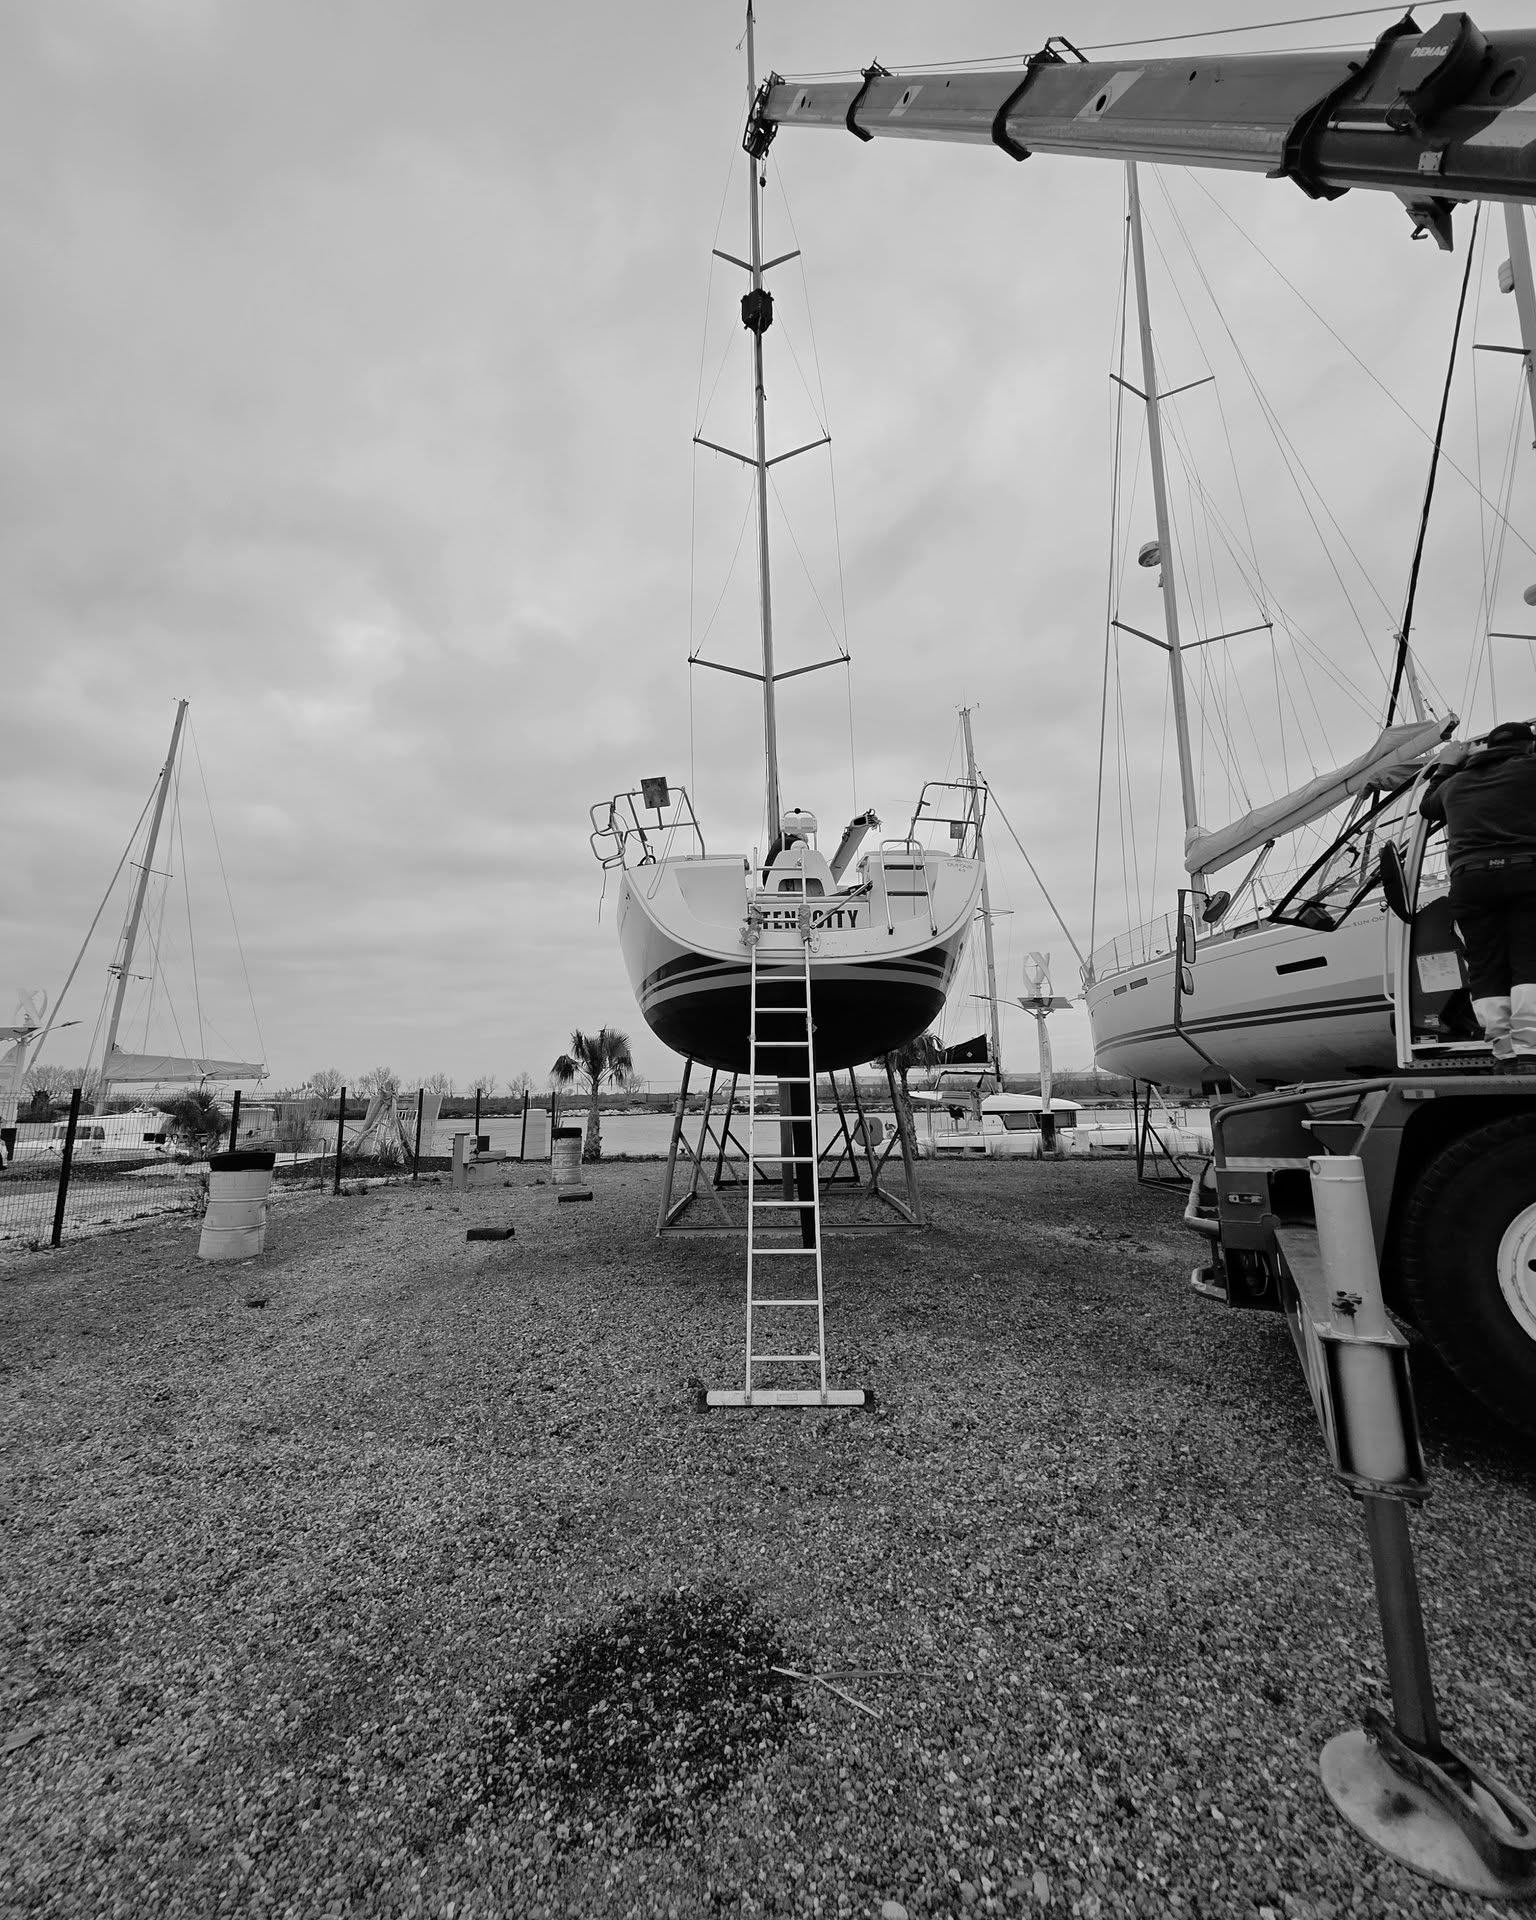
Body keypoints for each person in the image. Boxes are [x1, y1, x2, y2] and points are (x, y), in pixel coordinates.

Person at [1419, 719, 1536, 1065]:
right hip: (1526, 872)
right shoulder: (1531, 768)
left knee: (1486, 967)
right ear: (1526, 746)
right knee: (1529, 960)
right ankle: (1531, 1049)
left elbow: (1427, 807)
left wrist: (1447, 764)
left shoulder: (1455, 783)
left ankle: (1503, 1050)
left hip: (1471, 882)